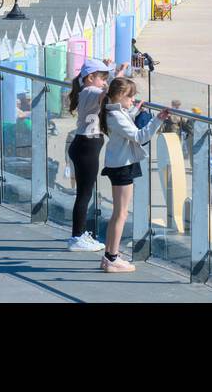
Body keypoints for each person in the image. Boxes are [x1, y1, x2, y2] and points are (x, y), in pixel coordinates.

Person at [98, 77, 170, 272]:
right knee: (121, 214)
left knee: (117, 214)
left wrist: (134, 110)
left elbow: (124, 117)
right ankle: (112, 258)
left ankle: (109, 256)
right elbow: (140, 136)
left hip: (117, 164)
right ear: (120, 96)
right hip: (122, 166)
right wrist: (158, 119)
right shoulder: (116, 117)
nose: (132, 100)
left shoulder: (113, 111)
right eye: (130, 97)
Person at [65, 59, 110, 251]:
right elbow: (109, 95)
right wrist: (116, 77)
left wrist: (114, 72)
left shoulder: (86, 91)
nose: (104, 82)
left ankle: (80, 234)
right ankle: (76, 238)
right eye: (102, 78)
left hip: (84, 145)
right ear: (90, 78)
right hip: (87, 146)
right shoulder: (91, 91)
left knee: (84, 193)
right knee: (84, 194)